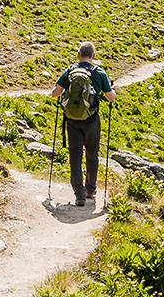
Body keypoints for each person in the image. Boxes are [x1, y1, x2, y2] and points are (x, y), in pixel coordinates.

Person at [51, 42, 115, 207]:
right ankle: (90, 189)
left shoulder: (70, 71)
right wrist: (113, 89)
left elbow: (55, 94)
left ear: (78, 54)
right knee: (92, 154)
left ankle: (79, 195)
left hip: (72, 120)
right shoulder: (99, 73)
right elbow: (110, 98)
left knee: (75, 155)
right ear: (93, 56)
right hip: (91, 120)